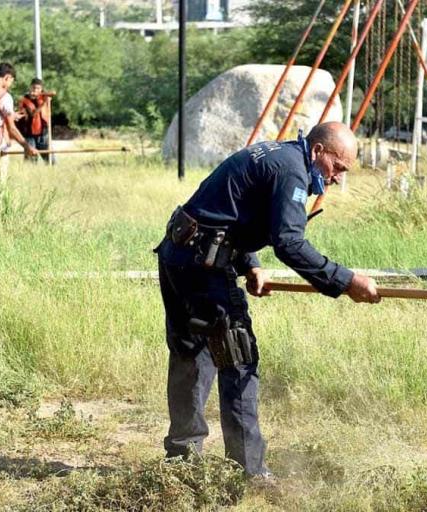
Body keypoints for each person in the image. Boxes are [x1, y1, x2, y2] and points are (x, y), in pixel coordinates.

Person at [155, 121, 381, 477]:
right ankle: (250, 474)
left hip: (179, 255)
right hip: (203, 264)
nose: (337, 178)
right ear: (318, 150)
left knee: (192, 354)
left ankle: (182, 460)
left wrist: (250, 264)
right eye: (337, 167)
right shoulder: (292, 170)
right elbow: (289, 243)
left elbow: (231, 208)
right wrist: (346, 281)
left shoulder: (279, 154)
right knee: (238, 360)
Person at [17, 78, 53, 163]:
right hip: (30, 134)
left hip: (43, 134)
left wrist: (46, 96)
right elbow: (32, 114)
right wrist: (44, 103)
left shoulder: (42, 97)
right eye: (34, 88)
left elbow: (53, 92)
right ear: (30, 88)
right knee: (31, 160)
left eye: (38, 88)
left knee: (51, 160)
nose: (36, 90)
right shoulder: (25, 100)